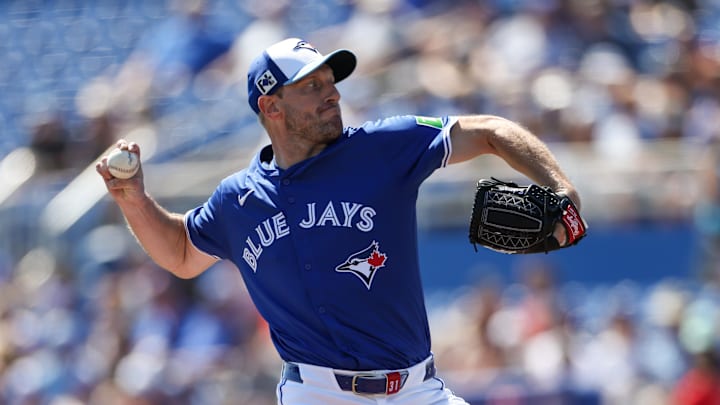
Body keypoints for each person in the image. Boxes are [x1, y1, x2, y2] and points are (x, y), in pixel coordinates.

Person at [97, 37, 582, 405]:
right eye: (311, 86)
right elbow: (181, 254)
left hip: (416, 388)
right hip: (317, 394)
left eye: (331, 83)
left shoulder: (381, 148)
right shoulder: (239, 200)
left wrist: (561, 188)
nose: (331, 95)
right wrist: (134, 200)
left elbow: (490, 131)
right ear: (271, 107)